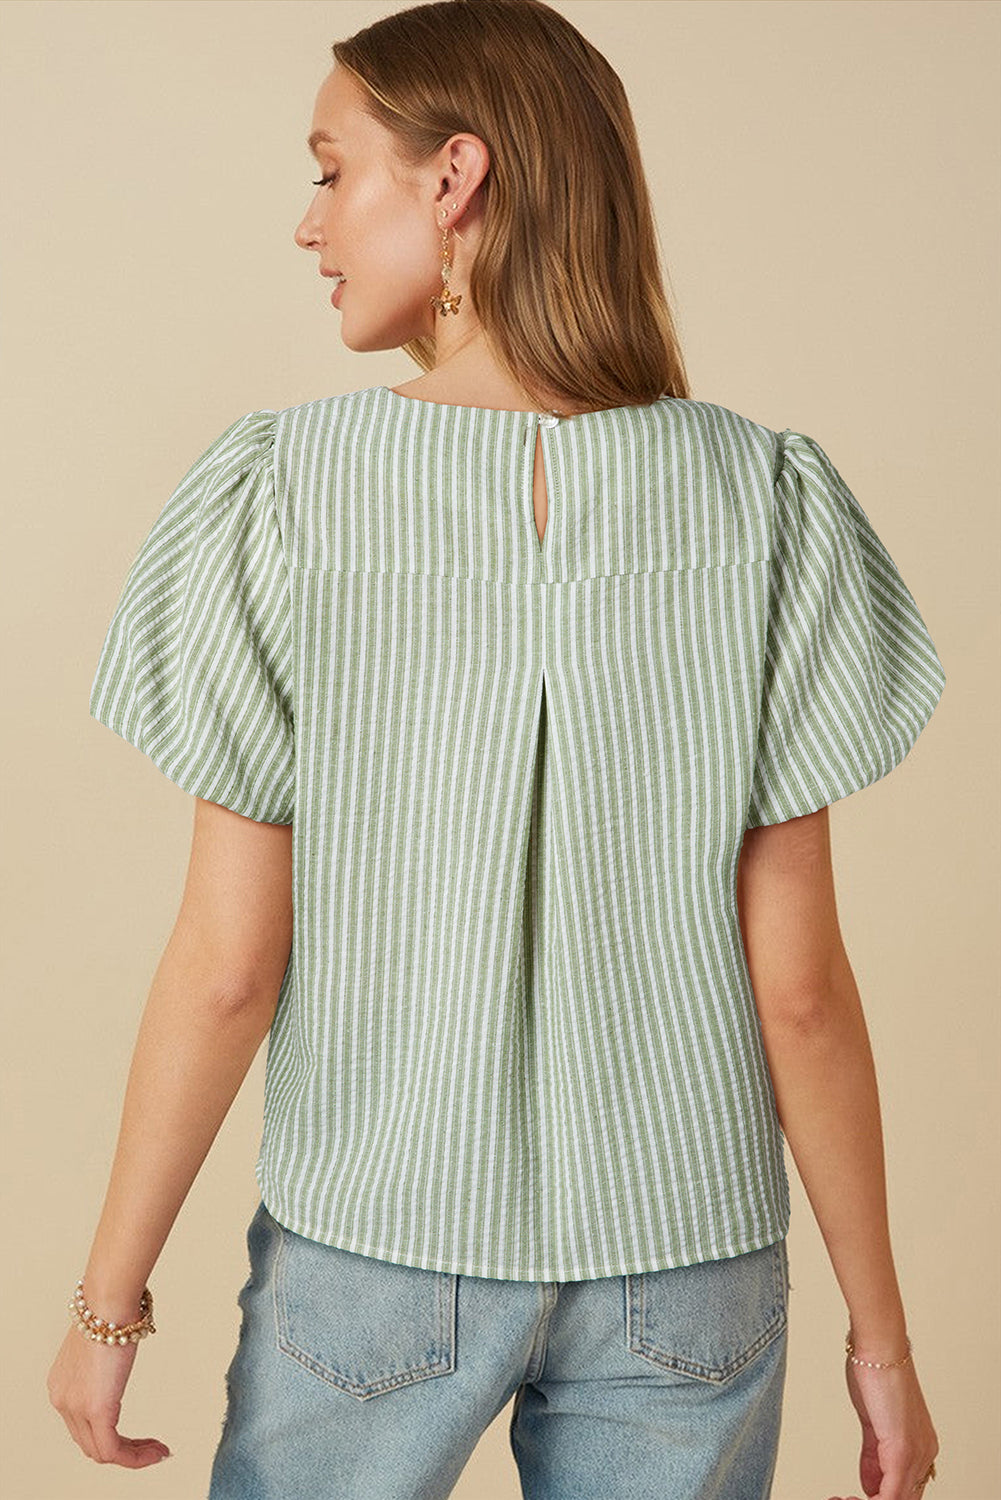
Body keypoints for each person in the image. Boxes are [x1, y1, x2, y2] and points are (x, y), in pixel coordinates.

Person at [46, 2, 944, 1496]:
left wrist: (106, 1304)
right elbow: (797, 992)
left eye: (333, 171)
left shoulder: (285, 494)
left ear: (453, 178)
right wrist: (883, 1343)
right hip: (688, 1266)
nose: (308, 223)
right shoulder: (765, 502)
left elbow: (227, 966)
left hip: (375, 1245)